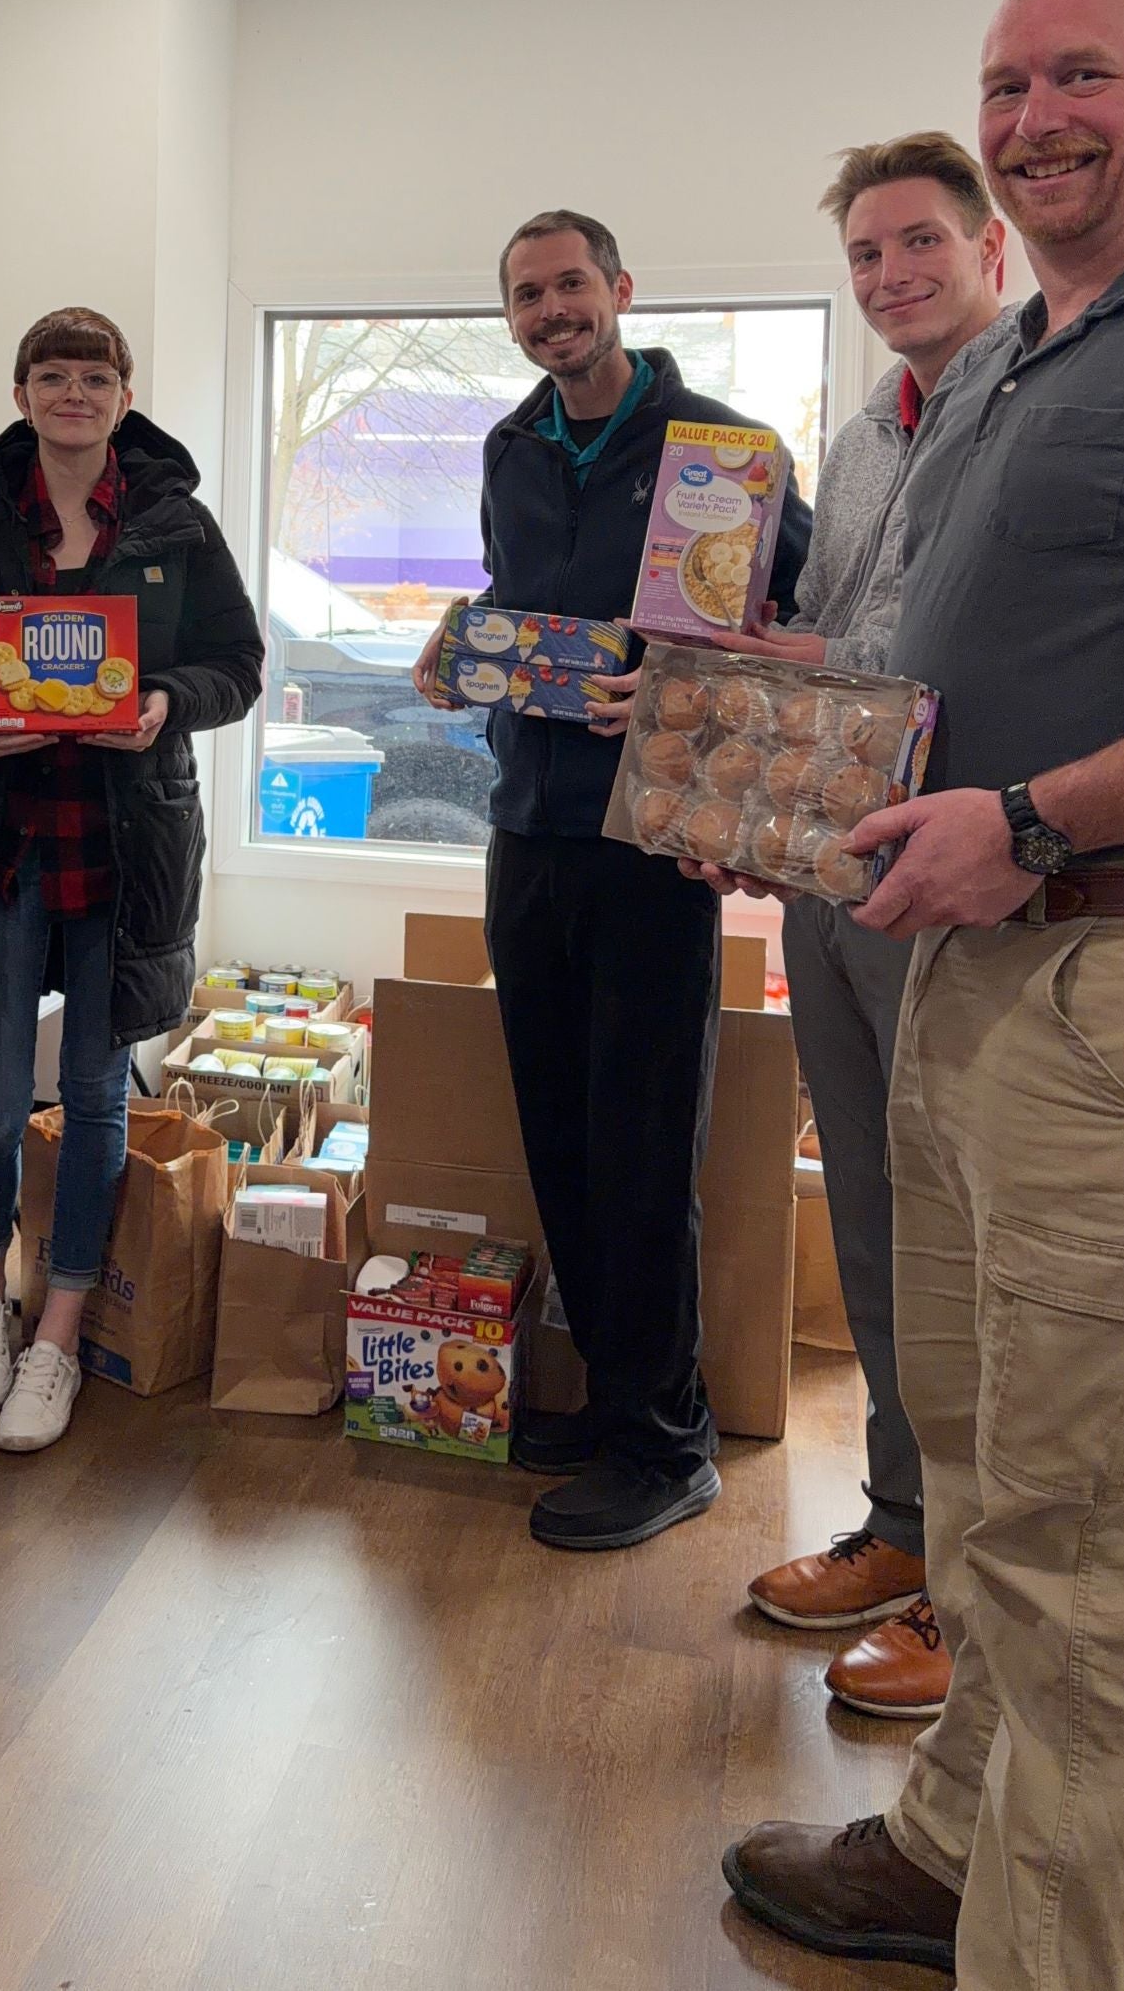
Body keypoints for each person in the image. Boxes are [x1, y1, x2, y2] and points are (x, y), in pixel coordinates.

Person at [724, 0, 1124, 1990]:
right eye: (1002, 81)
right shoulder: (1024, 358)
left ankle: (1043, 1951)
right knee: (978, 1470)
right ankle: (954, 1845)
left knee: (1086, 1554)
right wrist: (798, 711)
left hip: (1119, 976)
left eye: (1078, 75)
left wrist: (1034, 815)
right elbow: (942, 655)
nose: (1035, 111)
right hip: (975, 968)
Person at [413, 212, 811, 1551]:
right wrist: (455, 646)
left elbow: (797, 635)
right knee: (563, 1135)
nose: (548, 310)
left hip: (653, 842)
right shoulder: (510, 445)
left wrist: (692, 681)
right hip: (525, 828)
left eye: (569, 284)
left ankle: (667, 1437)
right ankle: (605, 1399)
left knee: (645, 1145)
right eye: (524, 294)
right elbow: (509, 596)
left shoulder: (727, 453)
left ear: (621, 290)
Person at [725, 136, 1010, 1722]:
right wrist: (733, 680)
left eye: (918, 244)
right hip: (837, 880)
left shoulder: (1031, 410)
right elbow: (842, 642)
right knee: (880, 1225)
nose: (891, 275)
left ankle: (972, 1591)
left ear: (990, 249)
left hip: (965, 888)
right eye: (866, 255)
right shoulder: (856, 433)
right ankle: (904, 1531)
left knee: (970, 1243)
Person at [0, 308, 264, 1454]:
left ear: (123, 393)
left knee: (97, 1095)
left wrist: (160, 705)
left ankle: (60, 1325)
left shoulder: (174, 522)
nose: (74, 395)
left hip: (124, 844)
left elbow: (236, 663)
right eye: (52, 376)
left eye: (94, 377)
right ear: (20, 393)